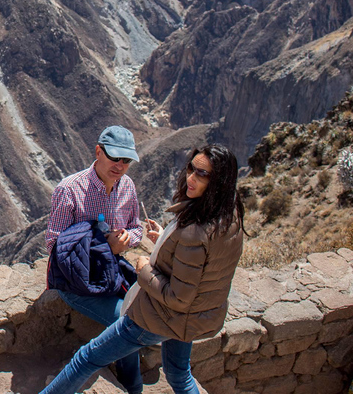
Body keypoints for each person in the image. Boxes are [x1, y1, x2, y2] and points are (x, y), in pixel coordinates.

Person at [41, 144, 246, 394]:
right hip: (197, 313)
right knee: (179, 374)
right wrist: (166, 241)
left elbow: (177, 296)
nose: (191, 177)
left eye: (202, 174)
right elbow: (201, 266)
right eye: (192, 168)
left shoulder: (195, 231)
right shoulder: (229, 215)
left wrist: (144, 268)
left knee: (87, 359)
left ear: (220, 181)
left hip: (159, 315)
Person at [45, 125, 144, 394]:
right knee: (128, 322)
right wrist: (104, 247)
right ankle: (134, 386)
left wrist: (127, 240)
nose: (121, 166)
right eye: (115, 158)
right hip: (76, 283)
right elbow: (53, 245)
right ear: (98, 151)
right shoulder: (70, 190)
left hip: (111, 274)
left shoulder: (127, 187)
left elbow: (136, 228)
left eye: (126, 160)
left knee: (143, 312)